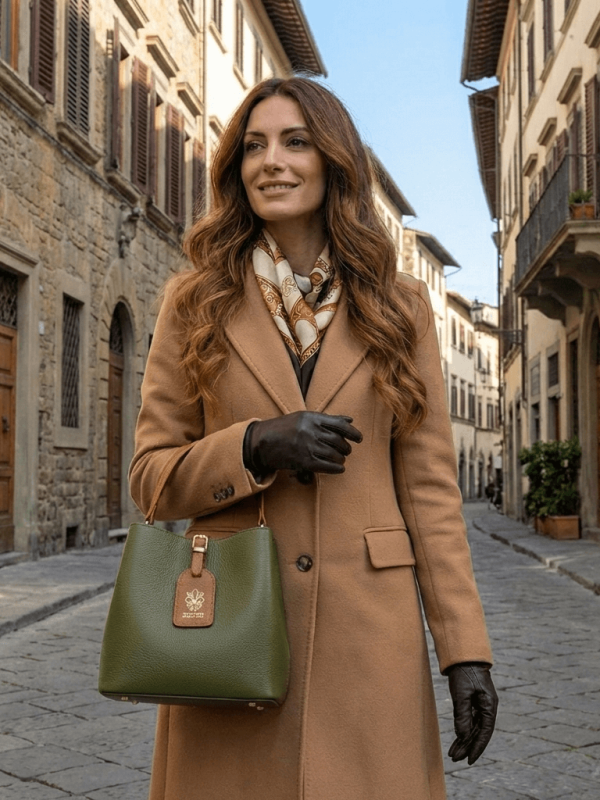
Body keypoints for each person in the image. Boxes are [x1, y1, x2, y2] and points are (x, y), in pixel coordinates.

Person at [129, 77, 498, 800]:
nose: (274, 161)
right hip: (228, 634)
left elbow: (429, 493)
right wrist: (253, 446)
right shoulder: (195, 298)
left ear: (333, 161)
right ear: (236, 168)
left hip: (370, 641)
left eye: (296, 142)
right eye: (255, 146)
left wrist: (465, 653)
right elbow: (150, 476)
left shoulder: (401, 306)